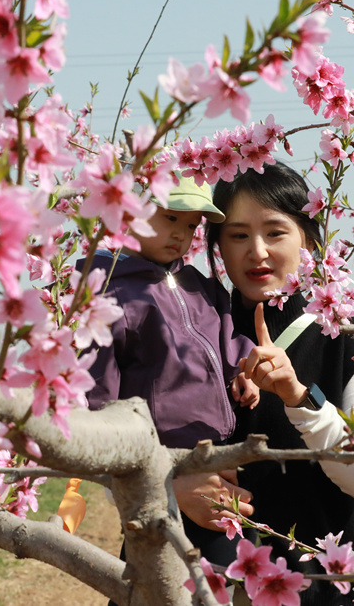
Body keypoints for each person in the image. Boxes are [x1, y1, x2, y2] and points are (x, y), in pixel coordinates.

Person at [207, 162, 354, 606]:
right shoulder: (190, 332)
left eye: (275, 232)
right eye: (237, 235)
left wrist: (300, 397)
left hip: (313, 592)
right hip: (198, 582)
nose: (257, 252)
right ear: (217, 247)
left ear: (308, 240)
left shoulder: (352, 340)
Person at [84, 173, 259, 568]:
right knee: (164, 566)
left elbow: (223, 331)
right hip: (162, 457)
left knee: (214, 571)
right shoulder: (112, 292)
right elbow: (100, 392)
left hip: (215, 452)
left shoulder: (197, 283)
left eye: (192, 225)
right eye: (170, 218)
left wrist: (241, 367)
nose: (182, 234)